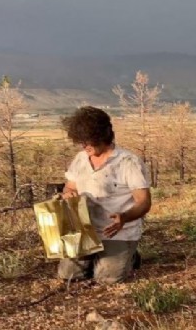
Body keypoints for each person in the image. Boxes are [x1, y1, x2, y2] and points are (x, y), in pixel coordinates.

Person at [58, 106, 151, 284]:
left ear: (102, 136)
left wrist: (124, 217)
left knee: (107, 279)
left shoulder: (128, 162)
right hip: (84, 229)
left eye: (88, 141)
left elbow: (144, 202)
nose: (84, 146)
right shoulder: (80, 159)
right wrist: (69, 195)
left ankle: (130, 255)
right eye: (81, 141)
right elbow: (69, 187)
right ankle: (98, 256)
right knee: (68, 275)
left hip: (117, 232)